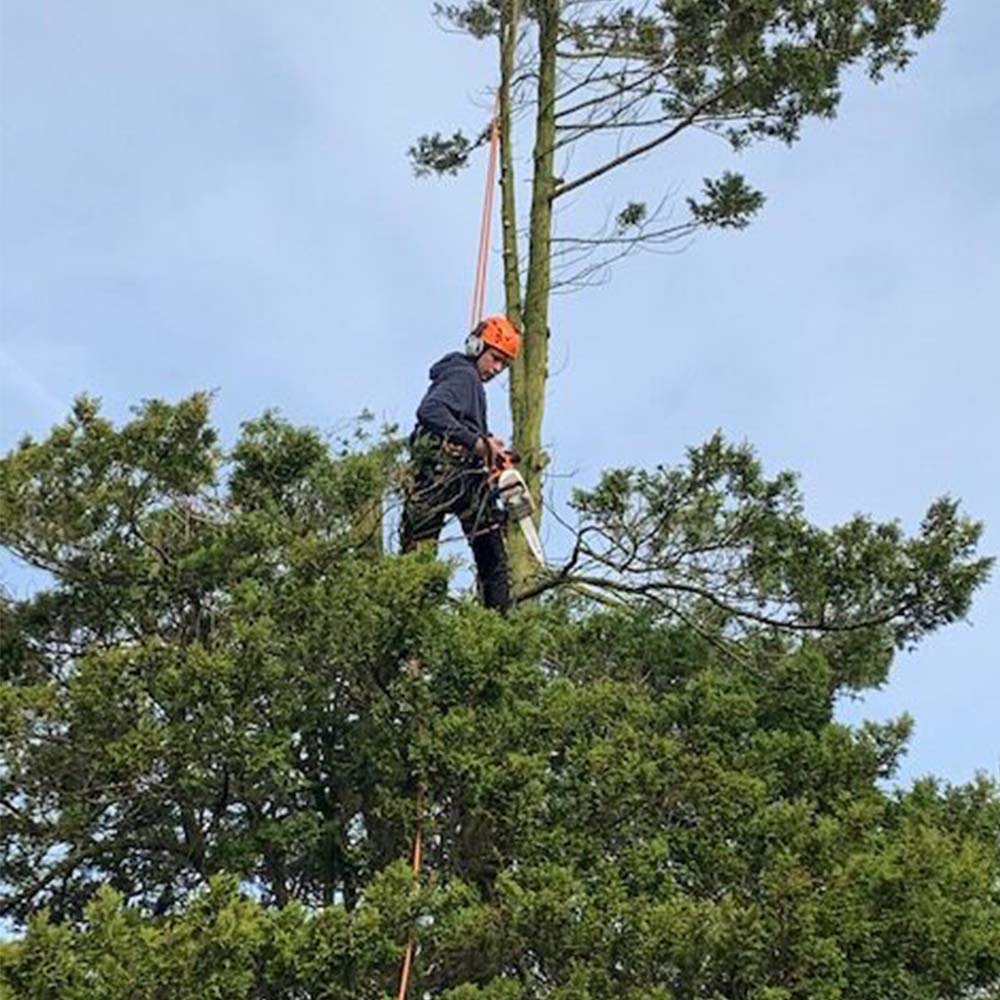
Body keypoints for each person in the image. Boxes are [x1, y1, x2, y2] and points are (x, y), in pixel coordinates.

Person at [400, 315, 521, 611]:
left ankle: (413, 629)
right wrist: (478, 444)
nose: (496, 369)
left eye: (504, 365)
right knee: (492, 560)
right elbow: (430, 411)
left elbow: (459, 423)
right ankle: (499, 631)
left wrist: (489, 445)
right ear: (476, 346)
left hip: (442, 478)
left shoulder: (464, 380)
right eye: (495, 359)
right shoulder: (463, 376)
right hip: (449, 477)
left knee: (419, 561)